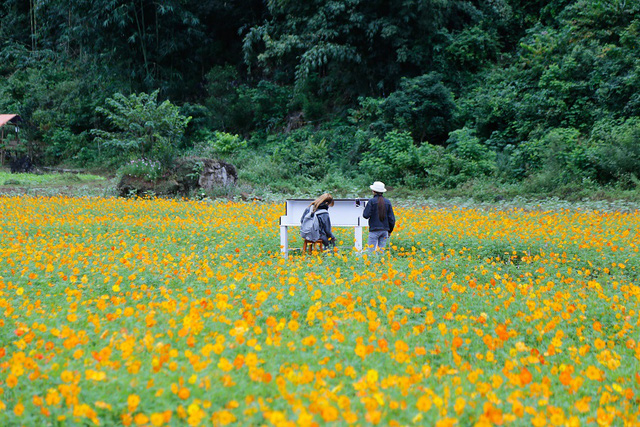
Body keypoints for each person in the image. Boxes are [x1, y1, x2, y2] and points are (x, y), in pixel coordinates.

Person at [363, 181, 395, 252]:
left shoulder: (371, 201)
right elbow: (392, 219)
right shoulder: (388, 202)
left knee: (370, 251)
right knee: (381, 252)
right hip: (385, 231)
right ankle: (380, 263)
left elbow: (365, 215)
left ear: (373, 191)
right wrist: (390, 231)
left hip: (374, 230)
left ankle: (371, 263)